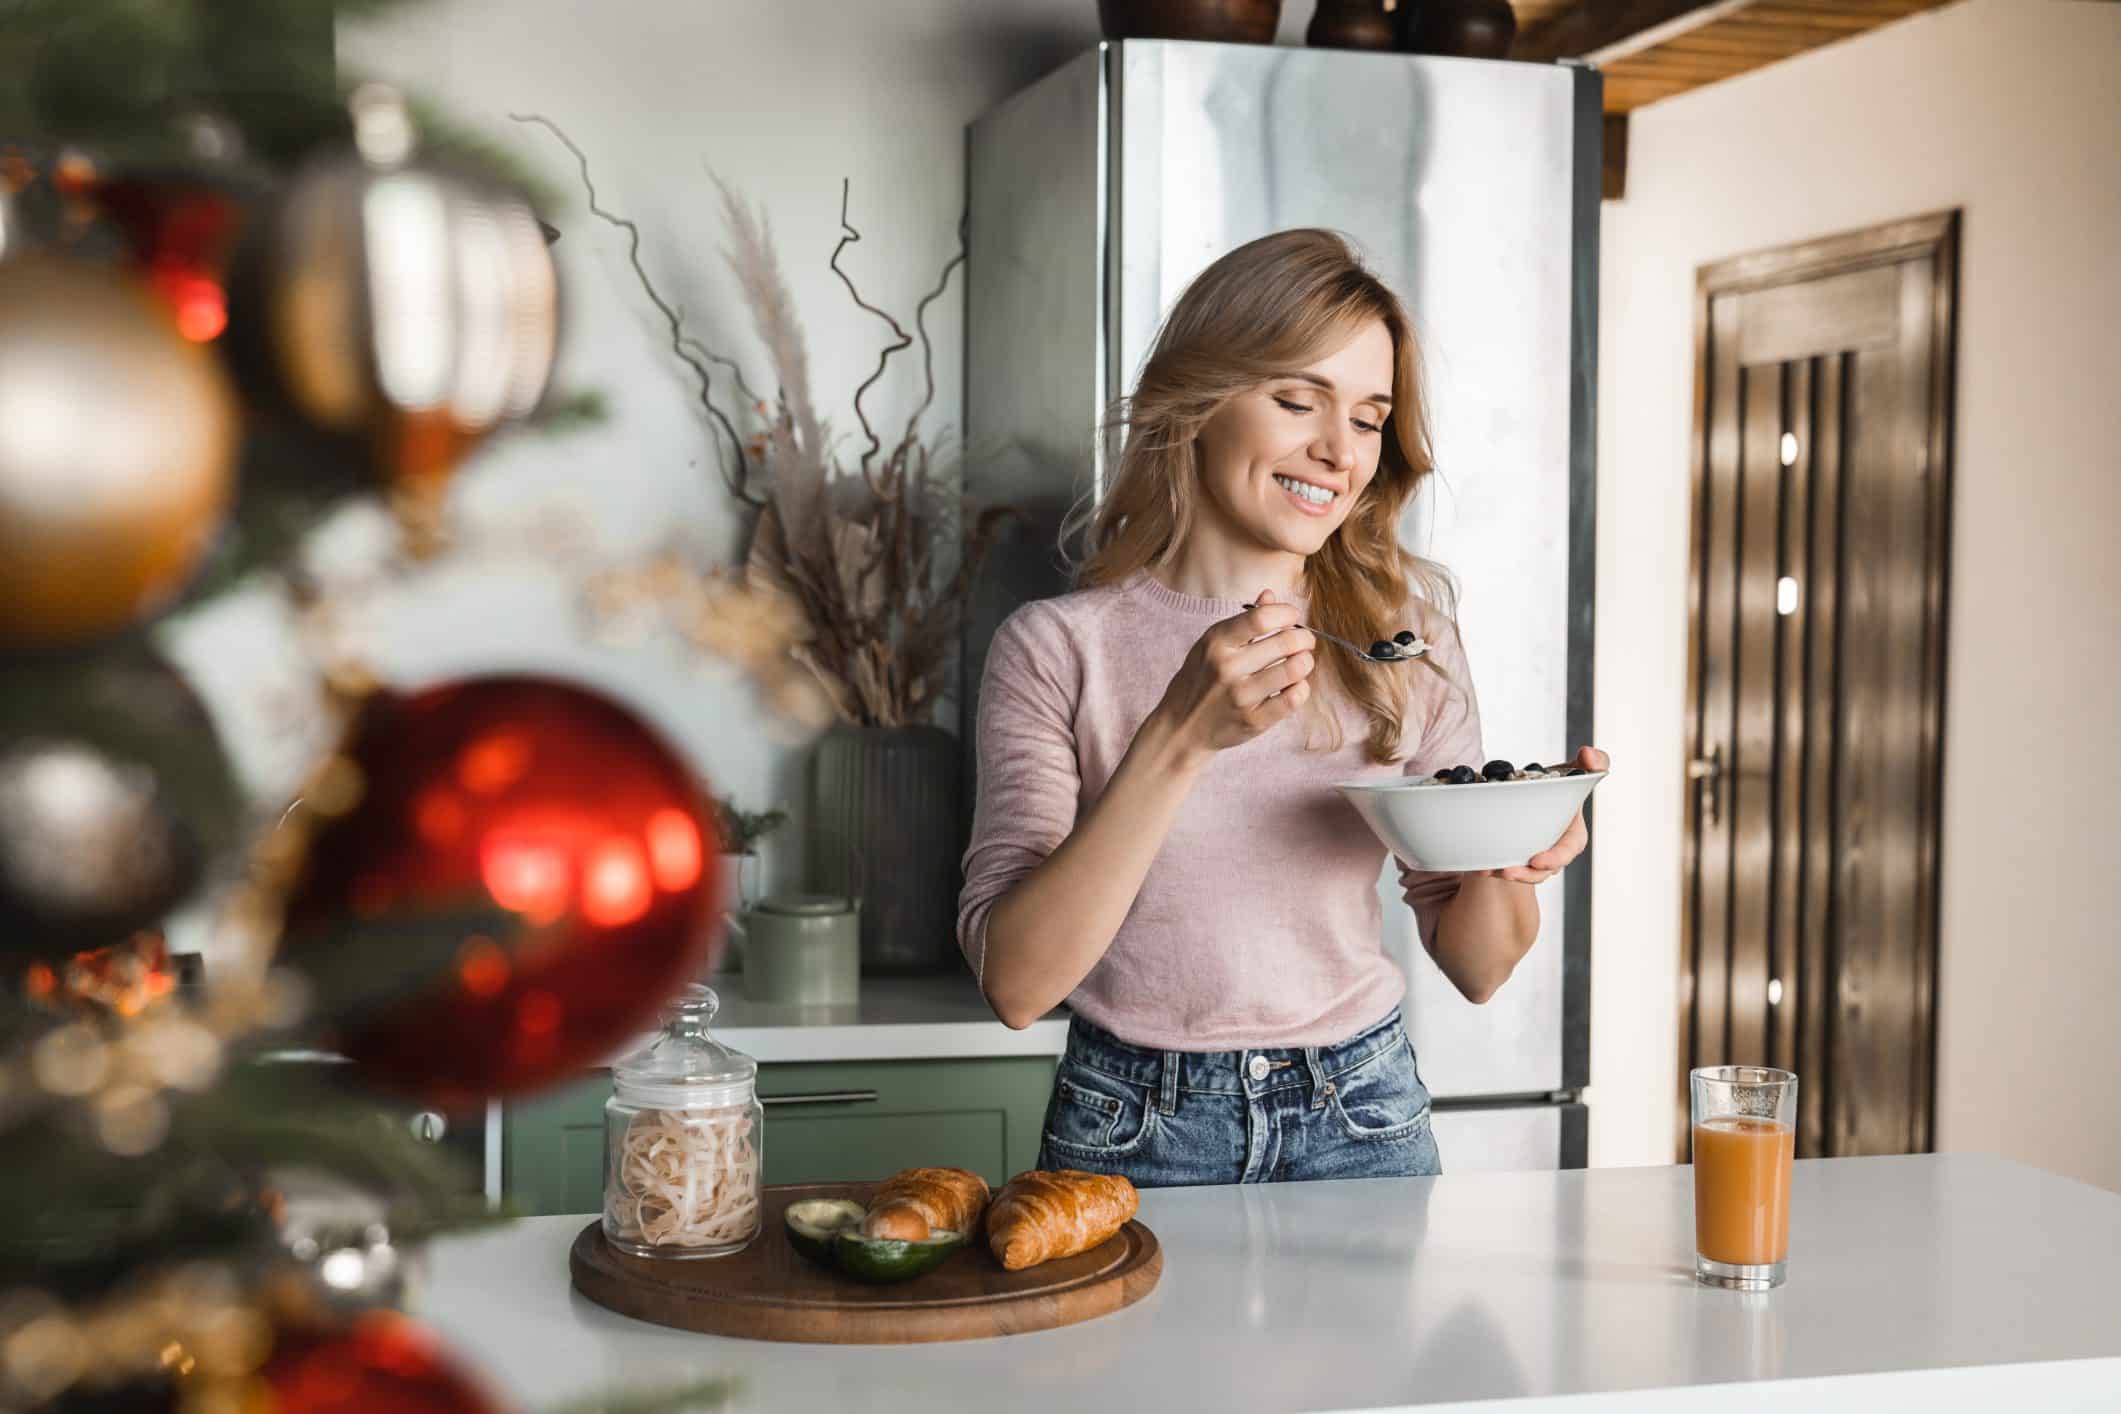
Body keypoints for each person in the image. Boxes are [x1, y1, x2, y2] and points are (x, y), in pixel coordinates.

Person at [957, 229, 1608, 1186]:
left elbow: (1478, 966)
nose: (1336, 451)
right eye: (1297, 400)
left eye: (1369, 417)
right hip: (1132, 1124)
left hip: (1362, 1111)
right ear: (1198, 402)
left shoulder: (1406, 641)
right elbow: (1016, 983)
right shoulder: (1058, 648)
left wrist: (1508, 848)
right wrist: (1178, 739)